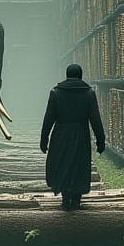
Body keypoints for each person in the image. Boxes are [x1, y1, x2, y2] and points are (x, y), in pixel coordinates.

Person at [40, 63, 106, 210]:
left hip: (60, 134)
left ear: (67, 75)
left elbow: (48, 119)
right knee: (79, 165)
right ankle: (76, 200)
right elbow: (95, 119)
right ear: (80, 75)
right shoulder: (89, 94)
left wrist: (44, 139)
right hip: (81, 134)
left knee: (62, 163)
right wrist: (101, 141)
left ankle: (65, 199)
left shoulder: (56, 93)